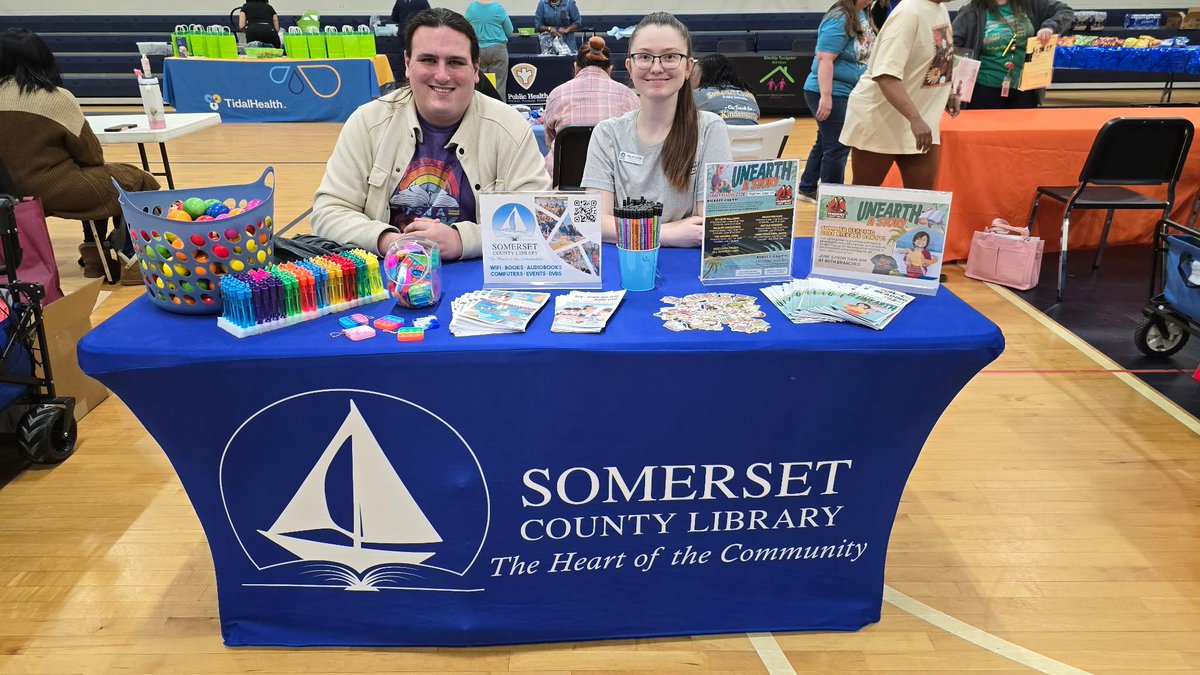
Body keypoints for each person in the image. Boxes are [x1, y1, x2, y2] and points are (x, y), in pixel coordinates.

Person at [312, 8, 550, 261]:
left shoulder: (510, 128)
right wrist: (389, 241)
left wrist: (463, 241)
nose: (442, 75)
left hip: (479, 277)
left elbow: (540, 218)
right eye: (428, 60)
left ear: (475, 69)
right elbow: (330, 212)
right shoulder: (367, 123)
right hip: (388, 275)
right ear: (407, 64)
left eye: (455, 62)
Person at [0, 27, 157, 284]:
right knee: (134, 179)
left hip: (6, 196)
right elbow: (91, 156)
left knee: (96, 180)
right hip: (54, 191)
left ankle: (95, 253)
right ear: (42, 58)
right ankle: (130, 258)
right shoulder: (56, 97)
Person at [581, 12, 732, 248]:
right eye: (644, 57)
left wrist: (623, 228)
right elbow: (594, 222)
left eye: (670, 57)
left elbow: (709, 224)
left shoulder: (710, 129)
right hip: (627, 260)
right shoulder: (607, 133)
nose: (657, 67)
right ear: (630, 67)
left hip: (686, 262)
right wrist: (666, 233)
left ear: (688, 67)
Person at [838, 0, 960, 191]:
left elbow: (939, 58)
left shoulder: (940, 9)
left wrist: (948, 91)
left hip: (919, 120)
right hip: (881, 118)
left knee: (923, 198)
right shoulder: (908, 13)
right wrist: (915, 118)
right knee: (863, 195)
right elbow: (885, 75)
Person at [797, 0, 877, 202]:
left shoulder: (862, 13)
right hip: (831, 92)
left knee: (825, 142)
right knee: (838, 146)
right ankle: (832, 201)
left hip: (847, 92)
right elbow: (825, 59)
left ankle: (807, 188)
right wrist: (826, 97)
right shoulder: (839, 18)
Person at [542, 36, 640, 177]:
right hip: (616, 179)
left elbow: (551, 140)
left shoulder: (556, 94)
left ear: (576, 67)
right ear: (610, 69)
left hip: (563, 179)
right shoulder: (629, 96)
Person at [952, 0, 1073, 109]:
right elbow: (952, 44)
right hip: (984, 89)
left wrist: (1050, 27)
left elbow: (1065, 11)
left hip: (1025, 89)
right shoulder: (971, 11)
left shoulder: (1030, 4)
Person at [690, 54, 760, 126]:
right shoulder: (751, 97)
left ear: (704, 75)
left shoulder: (697, 95)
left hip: (717, 133)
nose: (689, 79)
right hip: (752, 133)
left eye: (692, 74)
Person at [465, 0, 513, 101]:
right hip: (497, 50)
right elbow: (509, 30)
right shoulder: (498, 8)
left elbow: (465, 29)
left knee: (479, 83)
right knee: (499, 84)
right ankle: (499, 108)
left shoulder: (471, 8)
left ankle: (480, 106)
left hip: (477, 50)